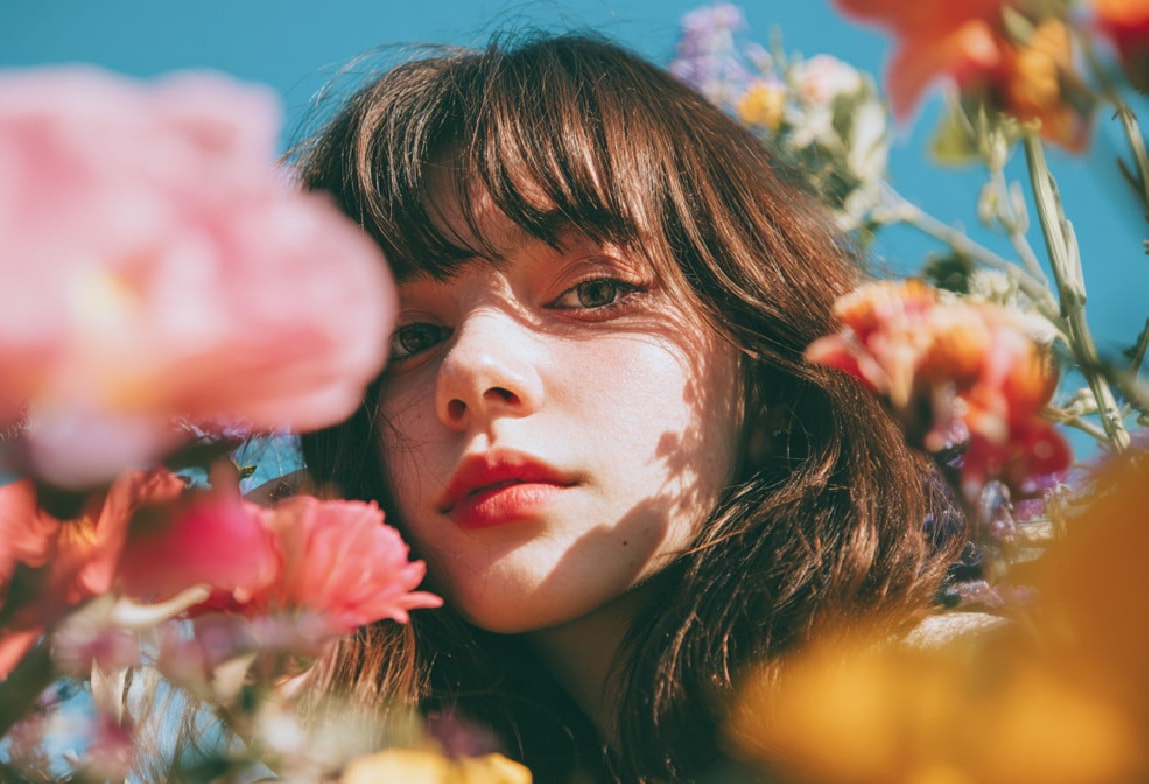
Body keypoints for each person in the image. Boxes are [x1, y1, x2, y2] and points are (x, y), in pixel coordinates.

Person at [286, 31, 967, 783]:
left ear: (770, 375)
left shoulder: (960, 706)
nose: (472, 368)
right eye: (410, 336)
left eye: (595, 291)